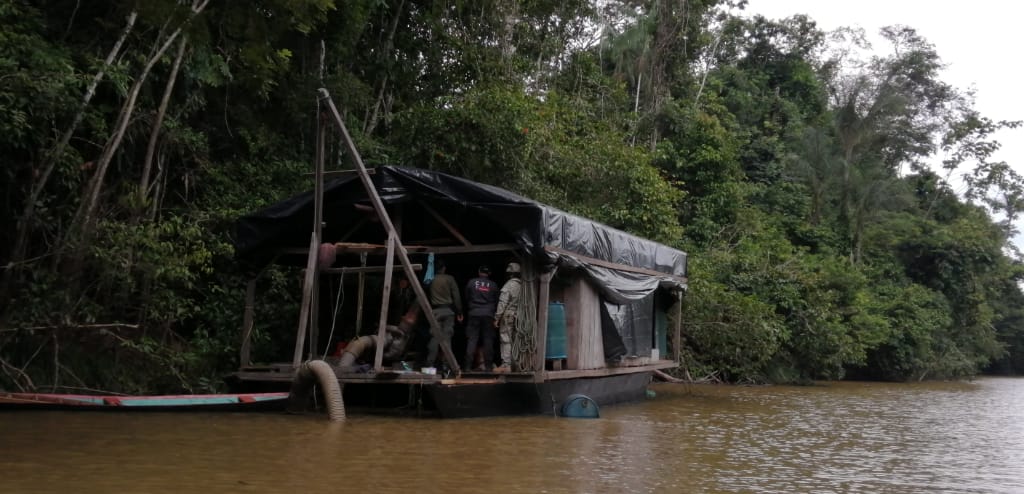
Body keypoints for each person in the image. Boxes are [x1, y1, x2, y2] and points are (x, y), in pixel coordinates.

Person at [426, 259, 462, 368]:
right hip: (447, 311)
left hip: (435, 311)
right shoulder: (449, 278)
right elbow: (456, 296)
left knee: (434, 338)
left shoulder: (430, 279)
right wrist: (459, 311)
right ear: (444, 268)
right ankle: (446, 365)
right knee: (447, 339)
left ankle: (430, 364)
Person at [463, 265, 498, 371]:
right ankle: (488, 367)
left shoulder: (471, 282)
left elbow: (466, 297)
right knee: (488, 340)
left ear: (479, 272)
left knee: (472, 339)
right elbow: (497, 300)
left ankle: (467, 367)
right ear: (489, 274)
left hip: (474, 313)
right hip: (488, 314)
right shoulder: (493, 285)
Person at [494, 262, 523, 373]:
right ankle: (517, 363)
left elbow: (502, 302)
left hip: (509, 315)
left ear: (510, 274)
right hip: (519, 315)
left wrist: (497, 317)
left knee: (505, 339)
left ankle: (506, 364)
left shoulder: (509, 285)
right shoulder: (523, 286)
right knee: (516, 339)